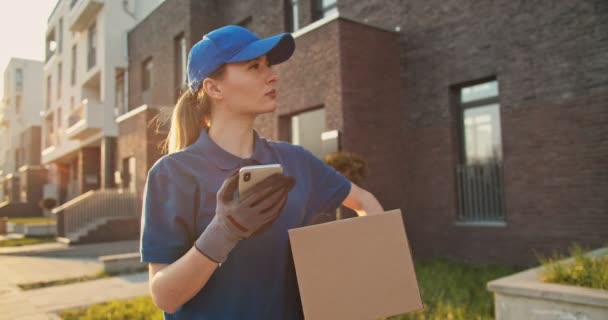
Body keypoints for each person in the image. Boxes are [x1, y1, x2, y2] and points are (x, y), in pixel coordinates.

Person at [140, 25, 385, 319]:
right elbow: (165, 297)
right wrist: (223, 232)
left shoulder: (296, 161)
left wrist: (376, 284)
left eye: (268, 65)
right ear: (214, 88)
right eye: (253, 66)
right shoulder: (172, 174)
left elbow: (365, 202)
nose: (272, 75)